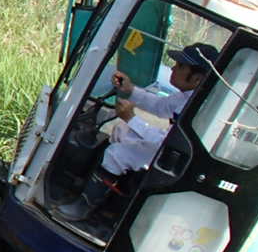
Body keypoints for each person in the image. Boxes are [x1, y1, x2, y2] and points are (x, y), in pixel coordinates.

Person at [57, 42, 219, 222]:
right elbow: (161, 106)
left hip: (174, 159)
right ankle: (104, 198)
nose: (173, 68)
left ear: (197, 79)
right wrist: (130, 89)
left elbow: (166, 141)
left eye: (180, 66)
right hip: (169, 150)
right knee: (123, 133)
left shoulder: (198, 108)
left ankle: (84, 206)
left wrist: (131, 118)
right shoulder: (188, 96)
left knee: (118, 154)